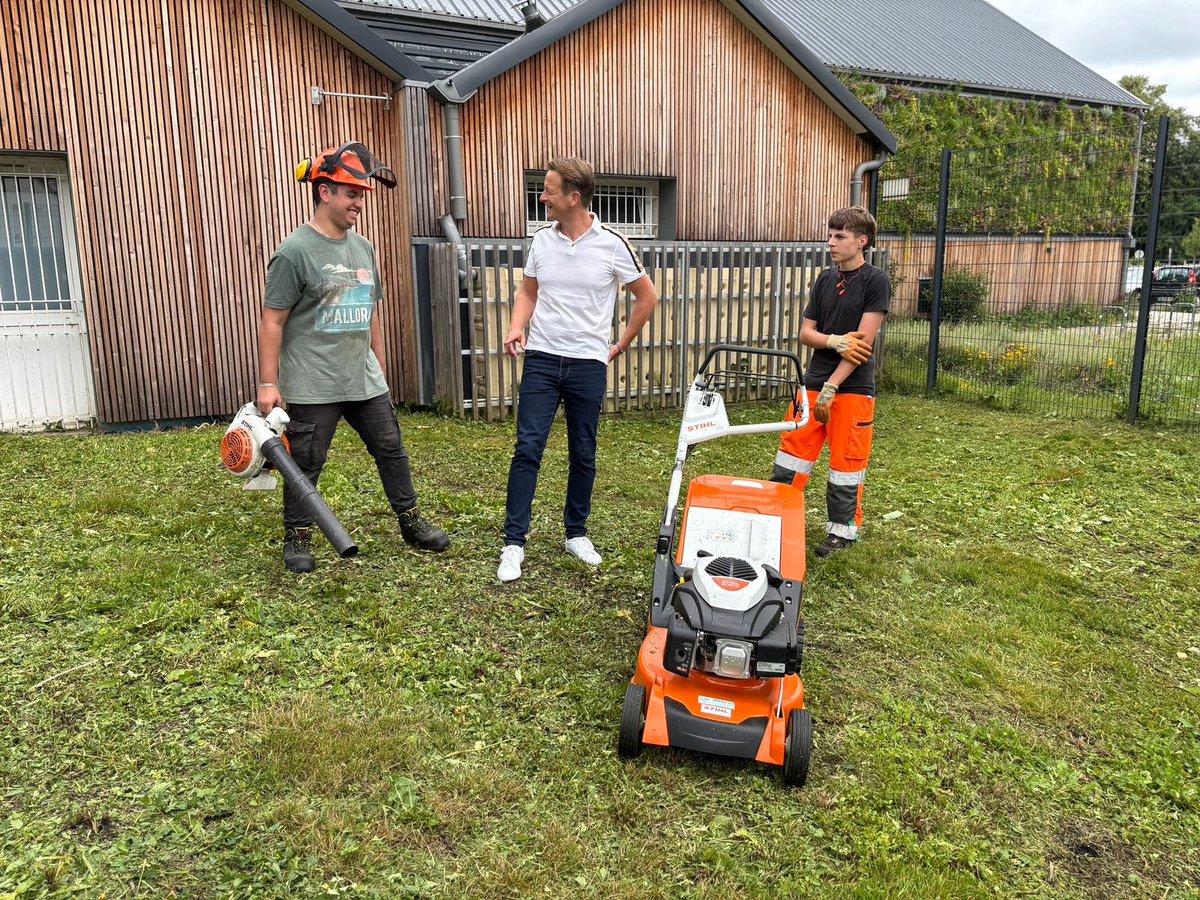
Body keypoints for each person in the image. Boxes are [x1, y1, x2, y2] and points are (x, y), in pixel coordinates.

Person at [257, 141, 449, 573]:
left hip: (363, 378)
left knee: (391, 448)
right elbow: (272, 320)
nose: (359, 202)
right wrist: (269, 384)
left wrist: (378, 363)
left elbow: (371, 310)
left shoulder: (363, 248)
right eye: (351, 193)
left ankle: (411, 521)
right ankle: (297, 536)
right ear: (324, 192)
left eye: (361, 194)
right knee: (306, 461)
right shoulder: (294, 251)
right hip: (314, 380)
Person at [497, 156, 659, 583]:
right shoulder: (541, 241)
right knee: (527, 448)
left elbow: (647, 296)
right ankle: (514, 543)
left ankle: (576, 533)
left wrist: (620, 344)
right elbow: (528, 291)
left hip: (588, 363)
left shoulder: (613, 244)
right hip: (542, 359)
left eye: (548, 190)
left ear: (573, 197)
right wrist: (516, 326)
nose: (542, 197)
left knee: (583, 452)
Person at [770, 205, 889, 557]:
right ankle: (776, 516)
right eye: (830, 235)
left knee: (846, 464)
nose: (830, 243)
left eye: (839, 236)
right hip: (812, 384)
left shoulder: (876, 281)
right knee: (791, 454)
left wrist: (832, 386)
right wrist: (834, 341)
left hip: (851, 389)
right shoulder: (825, 279)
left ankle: (842, 533)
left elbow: (861, 345)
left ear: (862, 241)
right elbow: (806, 333)